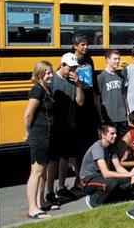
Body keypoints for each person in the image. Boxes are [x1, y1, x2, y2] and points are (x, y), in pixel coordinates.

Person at [46, 53, 85, 205]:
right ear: (62, 65)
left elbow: (80, 102)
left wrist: (78, 85)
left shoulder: (73, 82)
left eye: (75, 68)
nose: (72, 70)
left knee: (65, 158)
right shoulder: (52, 79)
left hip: (69, 124)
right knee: (53, 160)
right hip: (55, 125)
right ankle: (49, 191)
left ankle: (61, 187)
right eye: (70, 67)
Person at [79, 124, 134, 208]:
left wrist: (132, 177)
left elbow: (118, 167)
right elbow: (106, 173)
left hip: (100, 177)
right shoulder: (98, 147)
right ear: (103, 135)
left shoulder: (111, 146)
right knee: (112, 183)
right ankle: (93, 200)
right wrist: (129, 174)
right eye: (112, 133)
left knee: (126, 182)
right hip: (87, 181)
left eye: (115, 133)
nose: (115, 136)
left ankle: (110, 200)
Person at [24, 61, 56, 219]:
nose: (50, 75)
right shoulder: (37, 90)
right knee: (36, 172)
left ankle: (41, 202)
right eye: (47, 73)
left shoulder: (46, 89)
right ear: (39, 75)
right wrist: (28, 132)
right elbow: (28, 115)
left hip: (47, 135)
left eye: (51, 72)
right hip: (39, 136)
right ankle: (32, 208)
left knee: (43, 170)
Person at [72, 33, 100, 176]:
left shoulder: (89, 59)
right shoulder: (71, 60)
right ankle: (78, 175)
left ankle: (92, 171)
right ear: (75, 46)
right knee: (79, 143)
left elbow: (93, 83)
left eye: (86, 44)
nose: (86, 47)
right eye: (82, 44)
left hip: (89, 103)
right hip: (77, 105)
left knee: (91, 139)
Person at [97, 50, 129, 139]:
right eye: (115, 59)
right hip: (109, 117)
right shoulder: (100, 77)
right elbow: (98, 98)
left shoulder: (121, 77)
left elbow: (124, 96)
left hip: (122, 117)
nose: (118, 61)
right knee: (110, 144)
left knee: (123, 143)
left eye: (118, 59)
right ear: (107, 60)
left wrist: (127, 113)